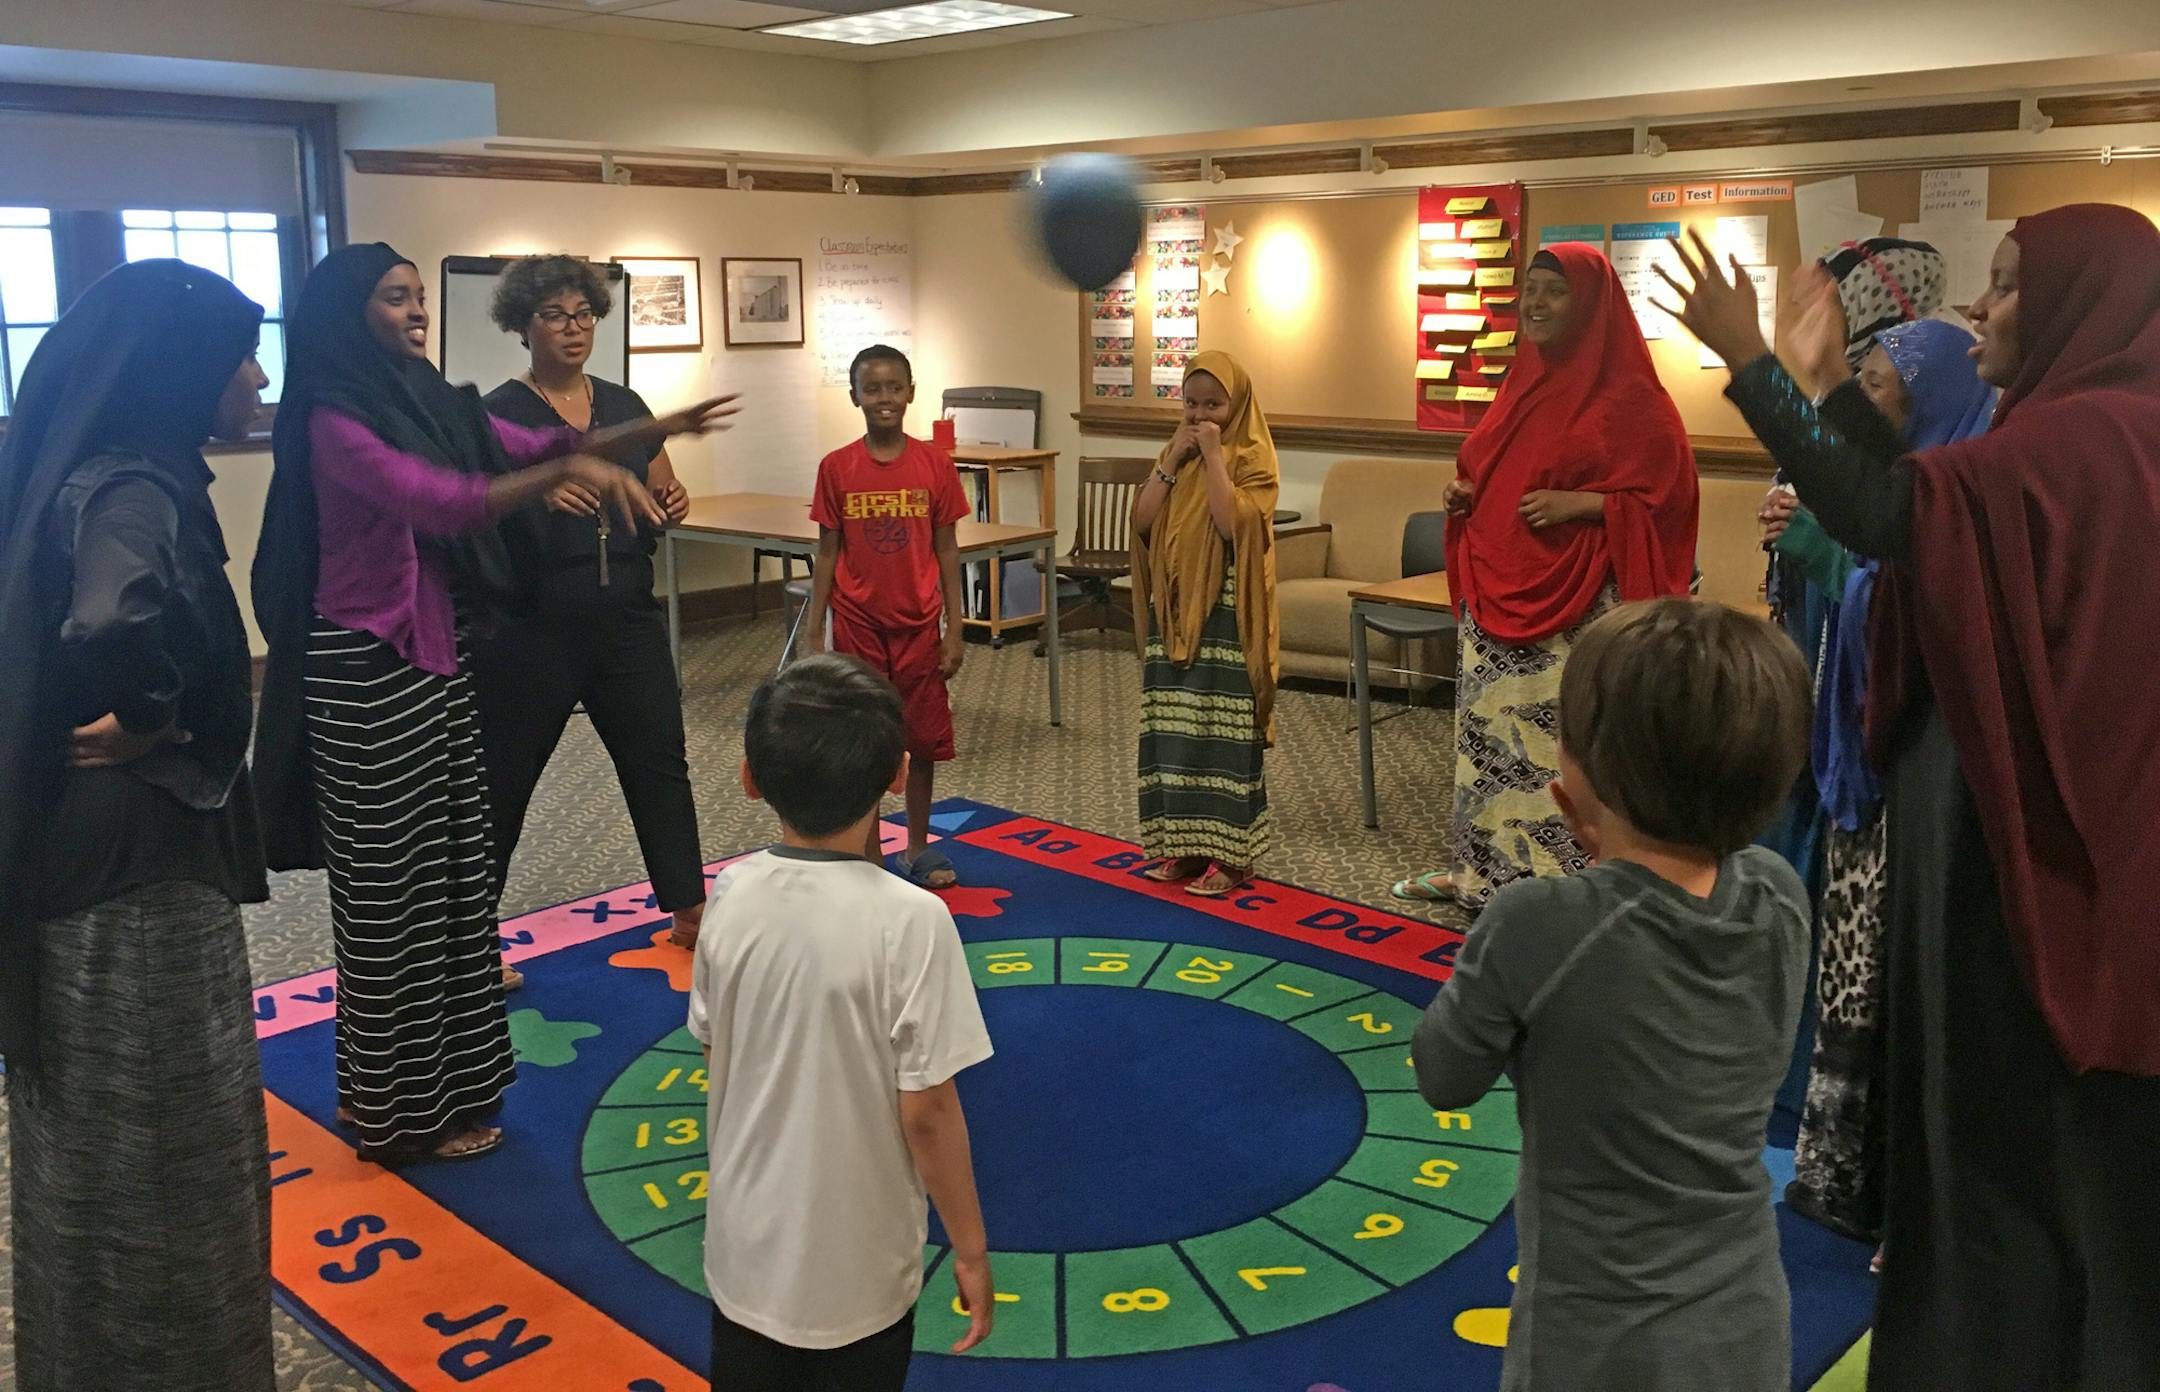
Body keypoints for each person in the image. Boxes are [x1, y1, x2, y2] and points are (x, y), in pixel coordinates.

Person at [1662, 206, 2160, 1388]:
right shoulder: (2105, 434)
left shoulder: (2079, 440)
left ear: (2086, 303)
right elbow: (1932, 520)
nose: (1984, 311)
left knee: (1996, 1147)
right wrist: (1832, 384)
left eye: (2009, 286)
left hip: (2016, 849)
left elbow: (1889, 516)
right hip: (2079, 834)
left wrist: (1756, 366)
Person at [252, 242, 731, 1164]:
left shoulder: (422, 399)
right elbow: (436, 501)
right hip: (365, 667)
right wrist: (560, 479)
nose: (414, 311)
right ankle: (393, 1117)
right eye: (394, 299)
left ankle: (456, 1096)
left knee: (453, 887)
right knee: (392, 904)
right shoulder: (332, 417)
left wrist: (659, 425)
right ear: (350, 311)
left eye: (418, 297)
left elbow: (536, 441)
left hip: (437, 659)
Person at [1414, 597, 1813, 1391]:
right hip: (1747, 1321)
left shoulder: (1538, 922)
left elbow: (1443, 1073)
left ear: (1579, 777)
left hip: (1591, 1341)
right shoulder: (1778, 890)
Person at [0, 260, 276, 1387]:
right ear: (180, 373)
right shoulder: (134, 487)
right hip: (139, 873)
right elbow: (118, 614)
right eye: (236, 358)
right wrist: (159, 717)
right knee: (167, 1148)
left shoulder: (82, 469)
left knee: (93, 1155)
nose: (255, 380)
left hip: (74, 850)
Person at [693, 653, 995, 1388]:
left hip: (743, 1253)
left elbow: (713, 1041)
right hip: (859, 1273)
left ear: (749, 778)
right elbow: (927, 1110)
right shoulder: (915, 921)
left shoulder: (729, 894)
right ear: (898, 773)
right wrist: (972, 1248)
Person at [1775, 317, 1994, 1245]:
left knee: (1899, 984)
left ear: (1931, 394)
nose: (1865, 398)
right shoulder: (1901, 479)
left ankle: (1901, 1192)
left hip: (1922, 784)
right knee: (1853, 972)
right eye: (1854, 380)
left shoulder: (1962, 482)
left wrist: (1828, 553)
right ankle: (1845, 1174)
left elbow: (1913, 607)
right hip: (1868, 779)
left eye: (1876, 382)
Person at [1394, 243, 1697, 912]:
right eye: (1529, 289)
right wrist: (1465, 496)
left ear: (1589, 303)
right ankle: (1479, 875)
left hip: (1577, 609)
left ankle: (1554, 892)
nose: (1534, 303)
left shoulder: (1633, 398)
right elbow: (1494, 466)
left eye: (1553, 291)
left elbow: (1667, 499)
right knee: (1485, 741)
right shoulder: (1521, 382)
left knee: (1554, 750)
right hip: (1498, 591)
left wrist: (1584, 505)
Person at [474, 254, 707, 950]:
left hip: (627, 617)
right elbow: (472, 516)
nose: (572, 330)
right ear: (523, 325)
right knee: (504, 779)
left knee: (658, 759)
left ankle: (691, 910)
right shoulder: (495, 416)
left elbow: (665, 485)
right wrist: (536, 494)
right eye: (553, 315)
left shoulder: (625, 404)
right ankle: (472, 940)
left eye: (583, 315)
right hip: (533, 625)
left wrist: (673, 499)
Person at [1754, 236, 1947, 898]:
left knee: (1829, 760)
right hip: (1822, 609)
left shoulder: (1919, 368)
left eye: (1837, 294)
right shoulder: (1855, 378)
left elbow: (1888, 518)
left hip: (1858, 615)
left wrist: (1822, 547)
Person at [801, 344, 968, 888]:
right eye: (872, 389)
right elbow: (827, 554)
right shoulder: (837, 467)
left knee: (921, 742)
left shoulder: (934, 465)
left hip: (920, 627)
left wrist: (955, 628)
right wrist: (812, 632)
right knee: (867, 744)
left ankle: (917, 847)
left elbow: (948, 550)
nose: (884, 399)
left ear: (911, 392)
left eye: (894, 387)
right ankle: (869, 853)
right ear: (855, 397)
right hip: (857, 628)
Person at [1129, 351, 1280, 898]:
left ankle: (1233, 859)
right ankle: (1185, 846)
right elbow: (1142, 521)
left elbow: (1231, 522)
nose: (1200, 416)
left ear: (1235, 404)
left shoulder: (1254, 455)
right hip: (1173, 607)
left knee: (1221, 731)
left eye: (1213, 405)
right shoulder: (1176, 449)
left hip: (1227, 615)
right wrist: (1172, 460)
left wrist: (1214, 456)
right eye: (1190, 404)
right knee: (1174, 731)